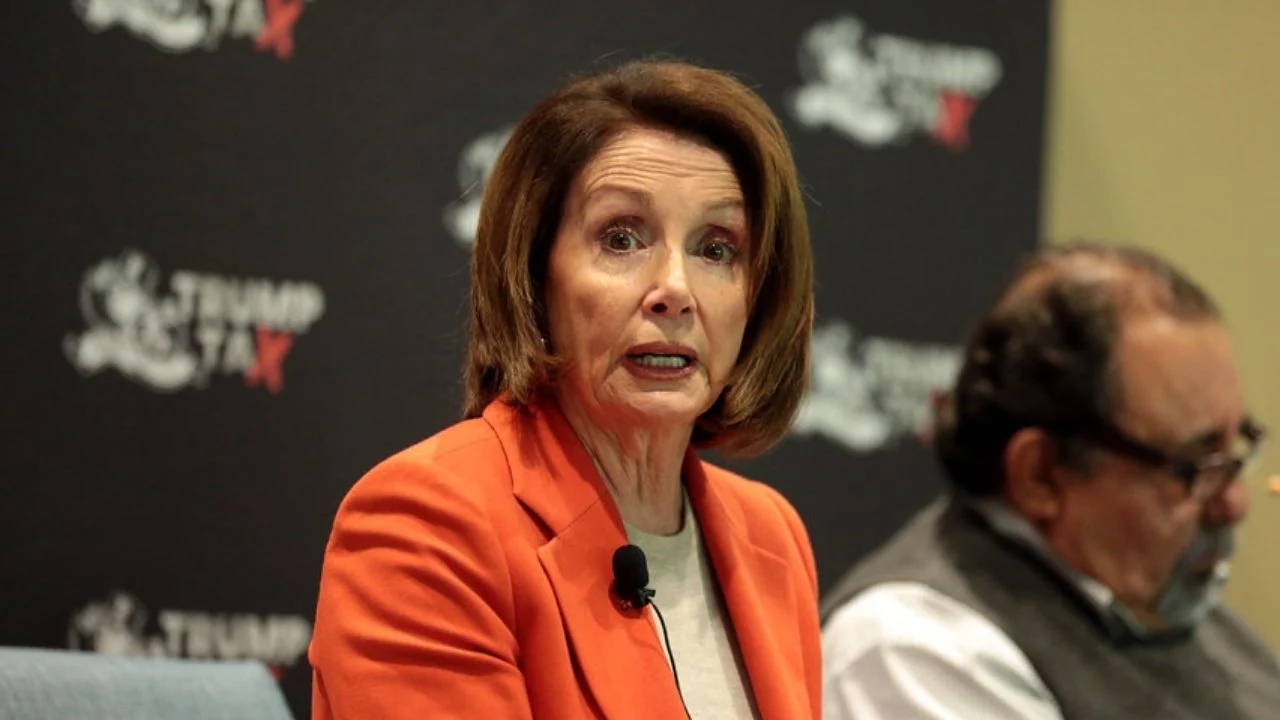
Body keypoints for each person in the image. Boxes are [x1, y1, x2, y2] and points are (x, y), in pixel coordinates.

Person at [309, 59, 821, 720]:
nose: (676, 290)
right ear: (533, 276)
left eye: (717, 248)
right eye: (622, 238)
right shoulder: (429, 525)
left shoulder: (772, 537)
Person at [821, 243, 1280, 720]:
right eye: (1194, 467)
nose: (1235, 502)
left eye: (1237, 447)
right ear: (1041, 475)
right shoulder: (913, 647)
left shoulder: (1200, 624)